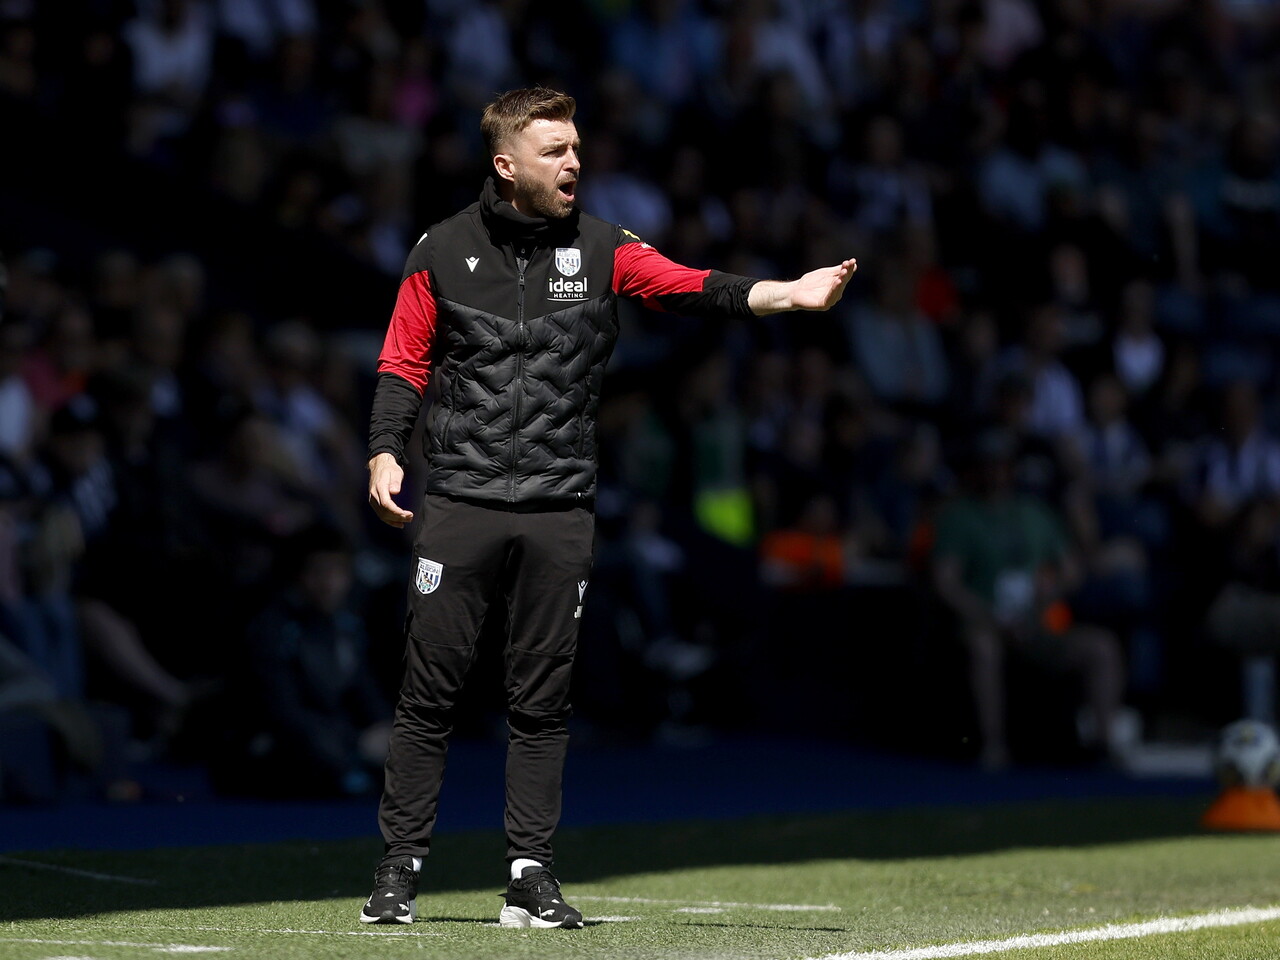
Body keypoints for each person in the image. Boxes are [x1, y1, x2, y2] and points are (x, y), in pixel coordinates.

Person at [361, 87, 857, 929]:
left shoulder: (604, 247)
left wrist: (791, 294)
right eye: (556, 151)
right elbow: (403, 362)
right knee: (429, 694)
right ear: (505, 164)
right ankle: (399, 871)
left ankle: (529, 873)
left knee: (543, 697)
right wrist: (381, 451)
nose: (575, 164)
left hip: (561, 504)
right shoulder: (438, 250)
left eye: (578, 149)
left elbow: (693, 286)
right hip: (460, 501)